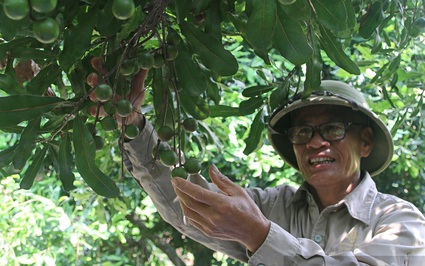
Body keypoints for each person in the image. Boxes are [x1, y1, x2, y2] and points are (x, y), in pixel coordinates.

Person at [90, 66, 425, 265]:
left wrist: (259, 234)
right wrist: (134, 127)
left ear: (365, 142)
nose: (315, 142)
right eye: (303, 131)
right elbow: (191, 206)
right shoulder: (272, 206)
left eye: (333, 129)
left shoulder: (400, 221)